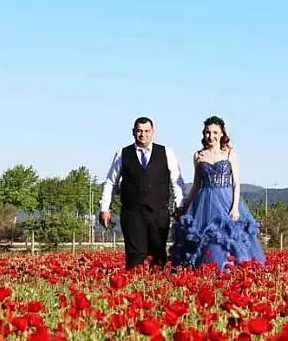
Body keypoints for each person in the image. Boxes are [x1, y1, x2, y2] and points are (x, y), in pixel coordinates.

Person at [169, 116, 266, 271]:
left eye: (215, 132)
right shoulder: (199, 155)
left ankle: (227, 270)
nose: (211, 136)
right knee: (205, 239)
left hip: (226, 199)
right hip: (204, 201)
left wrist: (235, 207)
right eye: (208, 132)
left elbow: (236, 183)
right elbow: (196, 184)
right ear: (204, 134)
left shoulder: (229, 154)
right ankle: (206, 270)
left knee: (226, 236)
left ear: (222, 134)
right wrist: (185, 204)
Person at [98, 116, 184, 270]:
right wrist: (105, 208)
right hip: (132, 213)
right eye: (139, 131)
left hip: (158, 213)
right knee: (135, 255)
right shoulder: (123, 153)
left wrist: (180, 207)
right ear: (133, 132)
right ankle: (134, 288)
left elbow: (177, 182)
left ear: (153, 132)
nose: (143, 135)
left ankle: (157, 290)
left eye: (146, 131)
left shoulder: (166, 152)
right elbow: (111, 182)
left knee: (157, 256)